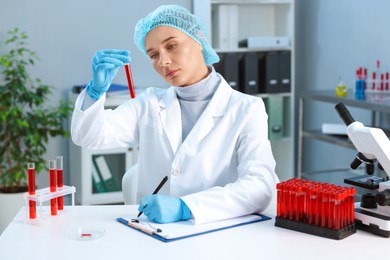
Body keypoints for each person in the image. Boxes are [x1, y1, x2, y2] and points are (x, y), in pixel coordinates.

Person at [71, 5, 278, 225]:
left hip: (217, 231)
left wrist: (186, 207)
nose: (163, 61)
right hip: (154, 232)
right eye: (154, 55)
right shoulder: (148, 103)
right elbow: (89, 136)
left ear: (198, 40)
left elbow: (259, 185)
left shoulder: (247, 108)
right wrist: (95, 92)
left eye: (172, 46)